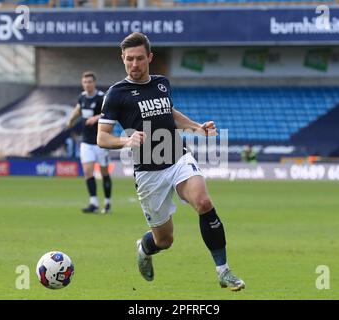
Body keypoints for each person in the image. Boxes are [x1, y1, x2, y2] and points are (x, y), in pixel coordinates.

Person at [97, 32, 245, 291]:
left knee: (203, 201)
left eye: (140, 59)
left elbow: (170, 113)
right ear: (122, 58)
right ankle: (144, 248)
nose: (134, 64)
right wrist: (125, 141)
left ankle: (223, 271)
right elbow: (102, 137)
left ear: (149, 58)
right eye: (129, 59)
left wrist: (197, 127)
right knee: (164, 240)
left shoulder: (162, 83)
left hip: (178, 157)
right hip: (148, 173)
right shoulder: (116, 94)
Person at [67, 71, 112, 214]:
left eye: (90, 82)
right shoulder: (82, 97)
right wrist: (70, 120)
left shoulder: (101, 97)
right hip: (86, 142)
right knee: (87, 171)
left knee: (104, 172)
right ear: (82, 83)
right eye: (85, 82)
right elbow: (78, 109)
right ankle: (93, 202)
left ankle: (107, 202)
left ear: (94, 83)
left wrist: (96, 117)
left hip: (101, 141)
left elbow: (109, 112)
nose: (87, 84)